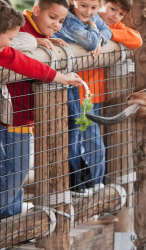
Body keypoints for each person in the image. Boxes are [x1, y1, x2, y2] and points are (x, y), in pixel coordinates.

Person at [0, 0, 82, 219]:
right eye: (9, 38)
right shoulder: (17, 37)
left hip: (20, 118)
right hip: (12, 116)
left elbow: (28, 64)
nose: (11, 42)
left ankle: (10, 223)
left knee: (16, 173)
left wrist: (62, 78)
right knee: (14, 172)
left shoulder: (6, 49)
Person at [52, 0, 112, 196]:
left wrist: (100, 38)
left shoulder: (90, 17)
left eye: (94, 8)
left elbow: (107, 32)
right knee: (72, 131)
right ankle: (76, 183)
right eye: (84, 5)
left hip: (75, 83)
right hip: (60, 82)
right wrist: (95, 32)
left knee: (78, 131)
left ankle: (85, 182)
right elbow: (89, 42)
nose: (89, 12)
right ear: (73, 2)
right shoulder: (69, 19)